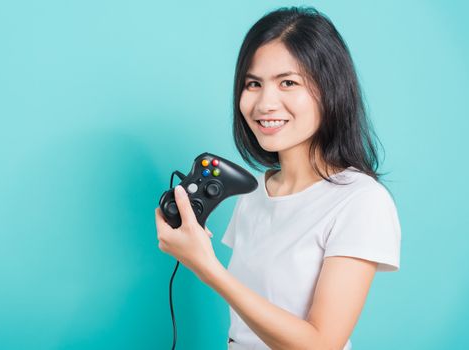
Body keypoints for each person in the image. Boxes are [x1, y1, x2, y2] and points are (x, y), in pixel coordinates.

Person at [155, 6, 401, 350]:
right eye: (253, 84)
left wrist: (206, 266)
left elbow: (321, 344)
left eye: (288, 82)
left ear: (330, 91)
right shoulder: (254, 195)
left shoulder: (361, 200)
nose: (265, 103)